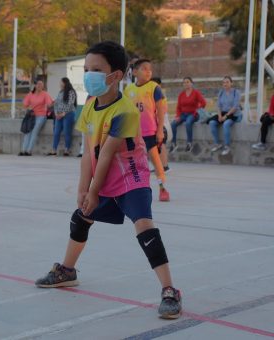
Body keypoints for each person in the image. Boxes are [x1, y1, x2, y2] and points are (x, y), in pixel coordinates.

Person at [35, 41, 182, 320]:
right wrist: (83, 190)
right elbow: (90, 154)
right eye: (86, 69)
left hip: (131, 179)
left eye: (96, 70)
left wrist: (93, 190)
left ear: (115, 75)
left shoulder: (125, 110)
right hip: (105, 179)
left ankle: (170, 290)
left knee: (144, 226)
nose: (89, 75)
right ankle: (67, 270)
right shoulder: (90, 107)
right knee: (82, 216)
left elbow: (107, 156)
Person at [124, 59, 170, 202]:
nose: (148, 71)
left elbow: (161, 109)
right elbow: (126, 112)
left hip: (150, 132)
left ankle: (162, 189)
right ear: (135, 72)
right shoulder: (128, 90)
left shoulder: (154, 87)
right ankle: (135, 189)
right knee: (133, 163)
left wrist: (160, 130)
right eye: (144, 68)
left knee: (156, 162)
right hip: (133, 133)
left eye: (150, 69)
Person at [170, 77, 206, 153]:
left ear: (191, 83)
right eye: (184, 82)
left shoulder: (196, 93)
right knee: (173, 124)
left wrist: (197, 110)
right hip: (183, 115)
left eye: (187, 82)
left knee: (188, 123)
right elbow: (178, 107)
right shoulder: (181, 95)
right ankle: (174, 143)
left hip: (193, 114)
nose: (186, 84)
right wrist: (178, 116)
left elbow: (203, 103)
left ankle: (189, 143)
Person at [18, 80, 53, 156]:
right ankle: (23, 150)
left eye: (41, 85)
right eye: (38, 84)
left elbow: (49, 104)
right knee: (28, 131)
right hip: (32, 116)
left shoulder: (45, 94)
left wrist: (53, 103)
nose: (40, 86)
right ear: (35, 85)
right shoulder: (31, 94)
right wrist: (29, 107)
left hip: (41, 115)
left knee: (35, 130)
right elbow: (25, 104)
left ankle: (29, 151)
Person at [209, 76, 242, 156]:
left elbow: (235, 107)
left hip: (234, 114)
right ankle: (217, 144)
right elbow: (219, 106)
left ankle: (227, 146)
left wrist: (225, 117)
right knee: (212, 122)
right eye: (224, 82)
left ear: (231, 83)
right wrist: (220, 116)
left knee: (226, 124)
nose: (225, 84)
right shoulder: (221, 92)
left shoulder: (236, 92)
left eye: (227, 82)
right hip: (223, 113)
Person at [47, 77, 77, 156]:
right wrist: (57, 113)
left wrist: (64, 113)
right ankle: (54, 149)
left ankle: (67, 149)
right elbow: (56, 103)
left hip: (68, 114)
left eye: (61, 82)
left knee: (67, 132)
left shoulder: (71, 92)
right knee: (56, 132)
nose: (60, 84)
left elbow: (70, 104)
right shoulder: (60, 92)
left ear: (64, 83)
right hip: (59, 115)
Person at [151, 77, 170, 172]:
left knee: (161, 145)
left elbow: (162, 110)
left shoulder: (161, 96)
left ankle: (165, 166)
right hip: (156, 124)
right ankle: (159, 166)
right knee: (156, 146)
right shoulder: (154, 95)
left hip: (162, 125)